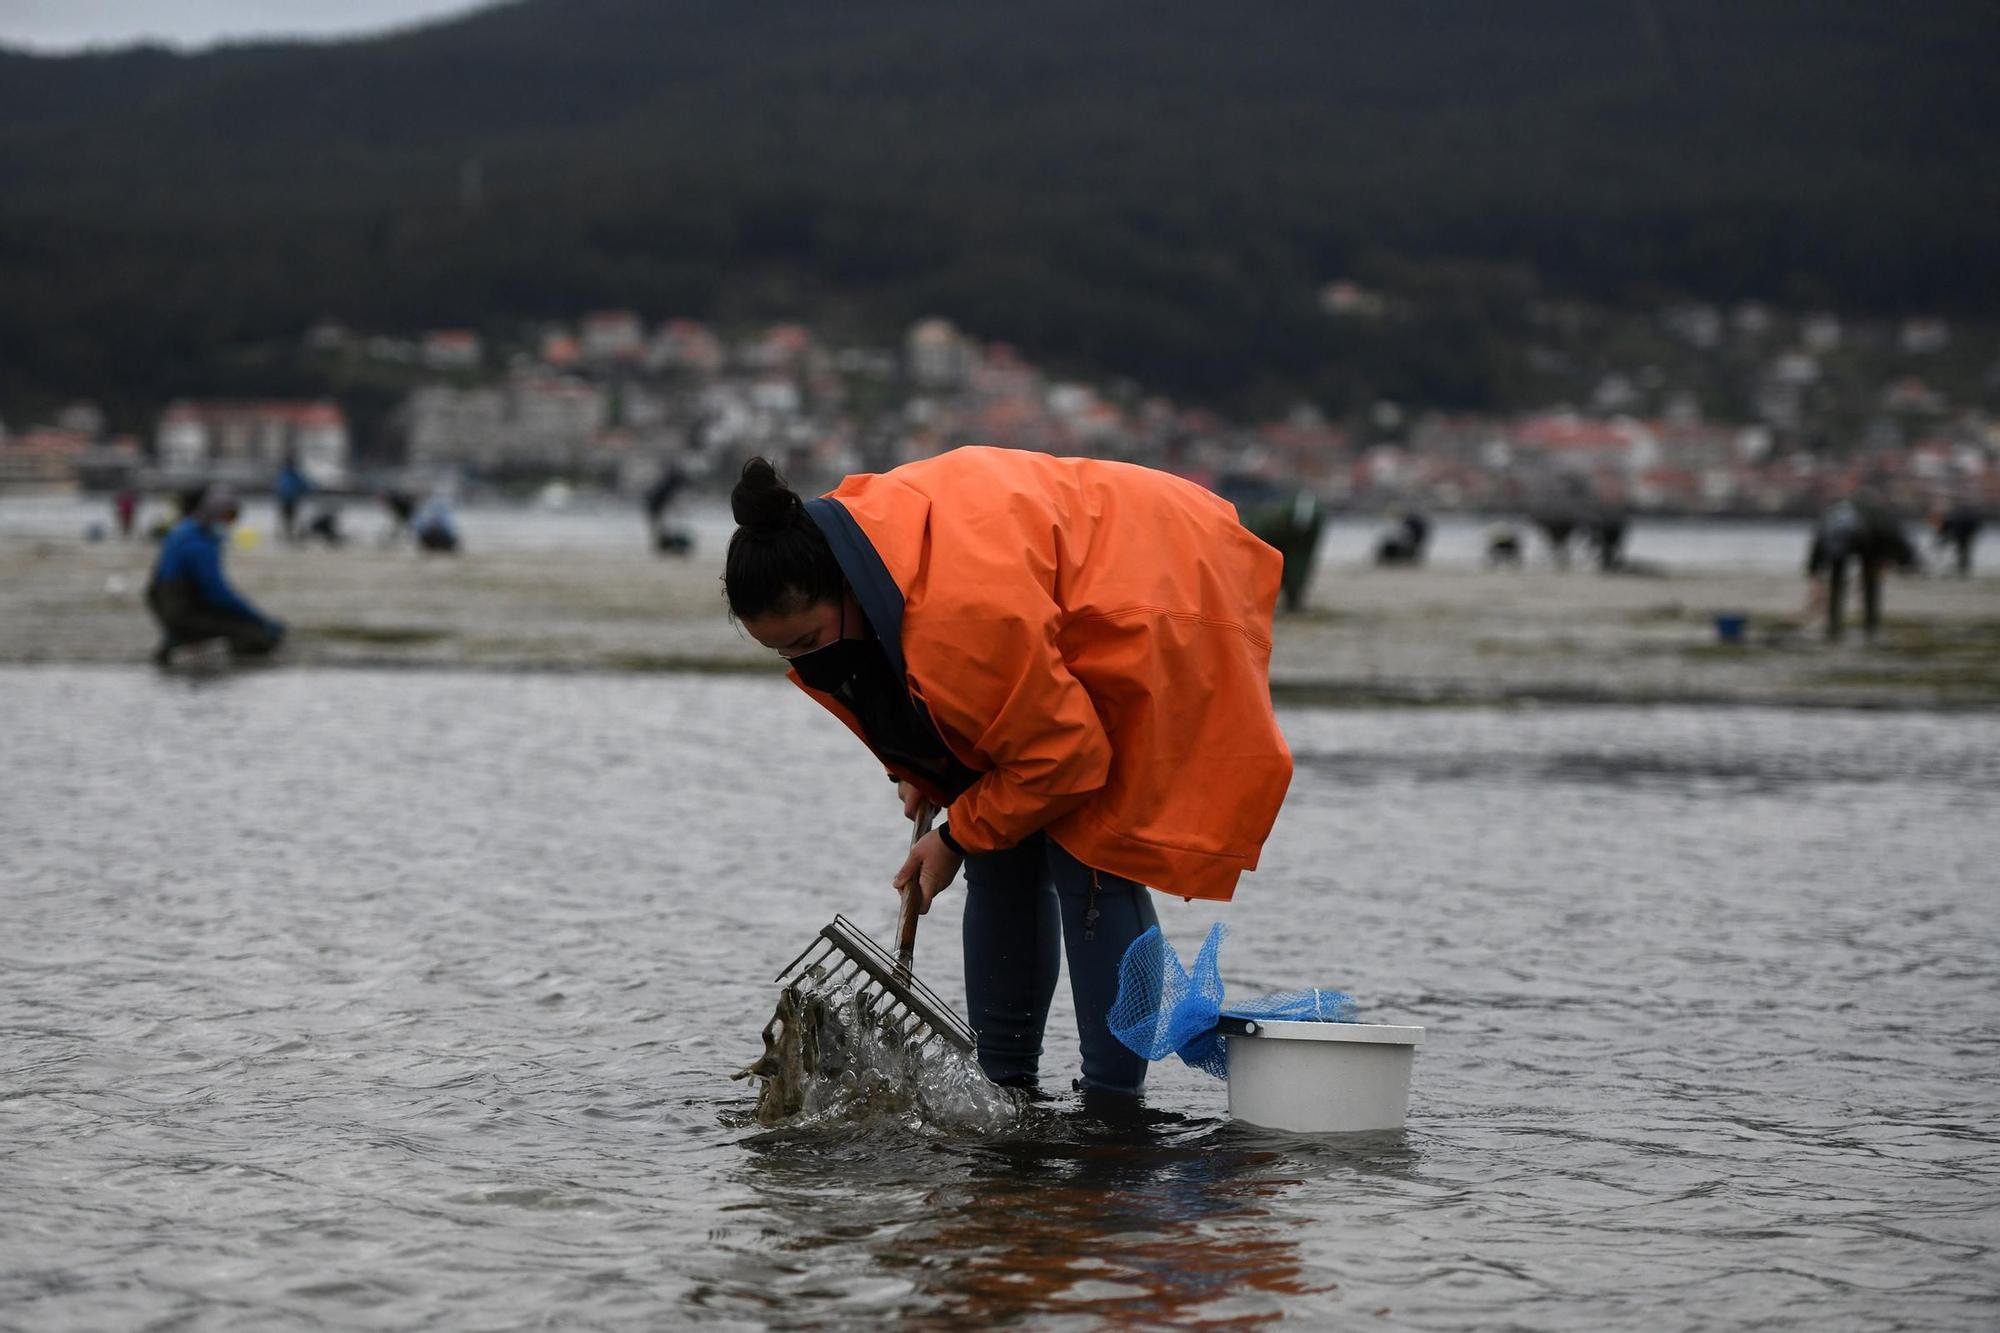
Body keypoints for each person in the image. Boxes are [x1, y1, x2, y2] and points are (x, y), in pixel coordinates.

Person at [724, 448, 1293, 1104]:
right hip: (1044, 593)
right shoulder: (849, 543)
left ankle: (1111, 1112)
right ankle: (1008, 1087)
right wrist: (929, 770)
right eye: (779, 652)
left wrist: (954, 837)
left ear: (840, 589)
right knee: (999, 834)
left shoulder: (959, 617)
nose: (801, 661)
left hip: (1160, 582)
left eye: (804, 640)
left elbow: (1068, 755)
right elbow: (924, 688)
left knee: (1090, 848)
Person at [145, 487, 285, 665]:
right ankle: (186, 645)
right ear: (214, 512)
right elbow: (217, 593)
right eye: (227, 517)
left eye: (233, 518)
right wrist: (259, 618)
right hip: (182, 613)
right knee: (258, 636)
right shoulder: (199, 543)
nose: (229, 524)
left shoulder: (182, 531)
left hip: (168, 608)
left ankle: (181, 639)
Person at [1806, 495, 1918, 641]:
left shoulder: (1833, 523)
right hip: (1864, 539)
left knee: (1842, 583)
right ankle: (1867, 626)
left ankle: (1839, 626)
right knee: (1866, 584)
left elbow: (1817, 548)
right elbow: (1891, 541)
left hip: (1864, 539)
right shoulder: (1834, 526)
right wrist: (1815, 577)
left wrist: (1814, 574)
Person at [1934, 501, 1983, 577]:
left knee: (1961, 550)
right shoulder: (1965, 516)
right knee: (1964, 550)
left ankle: (1961, 566)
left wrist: (1940, 536)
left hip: (1961, 534)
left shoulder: (1953, 516)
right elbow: (1976, 526)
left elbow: (1945, 528)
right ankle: (1963, 567)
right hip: (1966, 535)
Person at [276, 457, 310, 543]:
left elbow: (302, 485)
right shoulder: (287, 474)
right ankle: (288, 534)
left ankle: (292, 534)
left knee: (292, 518)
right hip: (287, 499)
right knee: (288, 518)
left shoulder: (289, 474)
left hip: (291, 499)